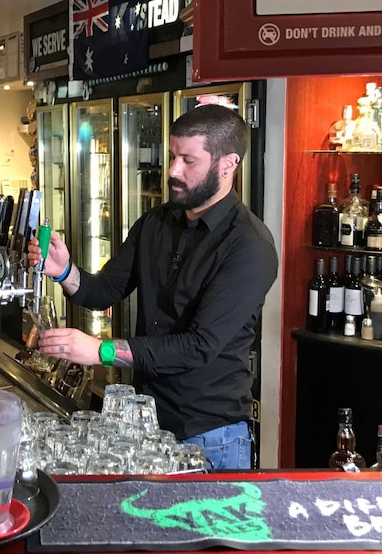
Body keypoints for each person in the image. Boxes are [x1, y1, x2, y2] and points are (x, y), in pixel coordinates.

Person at [27, 105, 278, 470]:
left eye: (188, 161)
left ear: (228, 164)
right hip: (146, 428)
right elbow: (105, 290)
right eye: (172, 156)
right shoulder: (156, 223)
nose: (173, 171)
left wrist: (103, 351)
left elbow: (198, 347)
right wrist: (65, 272)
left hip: (209, 437)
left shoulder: (249, 246)